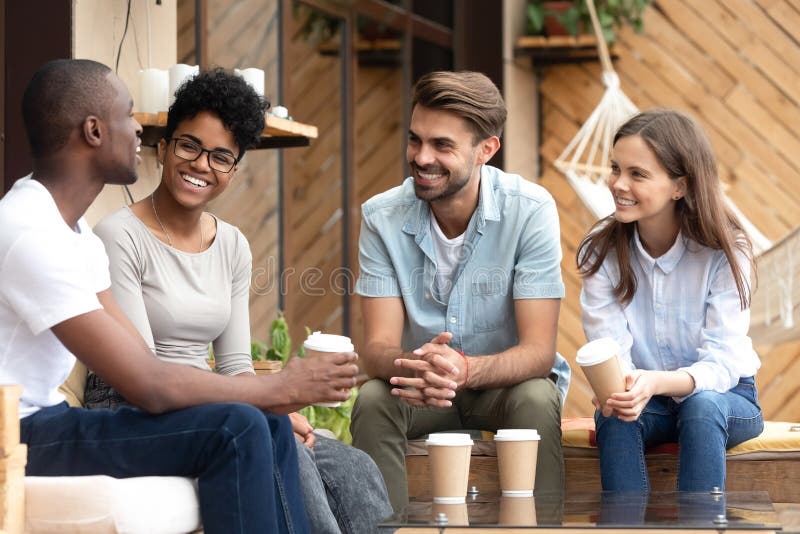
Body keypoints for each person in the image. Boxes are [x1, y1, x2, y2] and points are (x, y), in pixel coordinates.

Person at [0, 58, 359, 534]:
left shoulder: (75, 234)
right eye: (128, 116)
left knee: (266, 426)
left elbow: (139, 357)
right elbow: (146, 382)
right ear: (93, 131)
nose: (138, 130)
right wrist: (280, 388)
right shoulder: (30, 230)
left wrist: (270, 401)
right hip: (18, 432)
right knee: (237, 429)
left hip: (45, 422)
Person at [82, 67, 391, 534]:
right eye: (189, 145)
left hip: (217, 398)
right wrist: (268, 406)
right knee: (287, 455)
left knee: (354, 468)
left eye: (221, 156)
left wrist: (276, 409)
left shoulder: (232, 245)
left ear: (234, 170)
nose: (202, 165)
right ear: (164, 148)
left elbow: (233, 365)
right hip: (134, 403)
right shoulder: (120, 236)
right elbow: (142, 373)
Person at [351, 70, 570, 511]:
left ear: (486, 149)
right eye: (415, 140)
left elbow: (538, 352)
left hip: (503, 389)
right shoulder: (381, 217)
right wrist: (421, 366)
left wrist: (464, 370)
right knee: (374, 398)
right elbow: (376, 348)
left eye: (442, 145)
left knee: (537, 394)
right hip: (423, 391)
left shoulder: (529, 211)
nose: (421, 156)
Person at [577, 108, 763, 492]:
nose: (618, 184)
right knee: (616, 416)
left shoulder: (724, 251)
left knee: (702, 405)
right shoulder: (602, 252)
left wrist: (658, 382)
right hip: (647, 401)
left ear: (680, 185)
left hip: (729, 397)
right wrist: (619, 392)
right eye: (616, 169)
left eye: (638, 174)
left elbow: (724, 362)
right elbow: (610, 350)